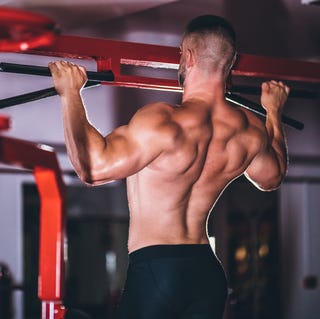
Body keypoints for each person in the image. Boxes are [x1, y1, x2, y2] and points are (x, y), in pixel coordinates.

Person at [49, 15, 289, 319]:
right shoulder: (250, 130)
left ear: (186, 57)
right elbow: (272, 176)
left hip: (156, 269)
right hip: (206, 272)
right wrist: (274, 114)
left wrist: (70, 94)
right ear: (231, 64)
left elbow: (92, 169)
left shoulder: (163, 122)